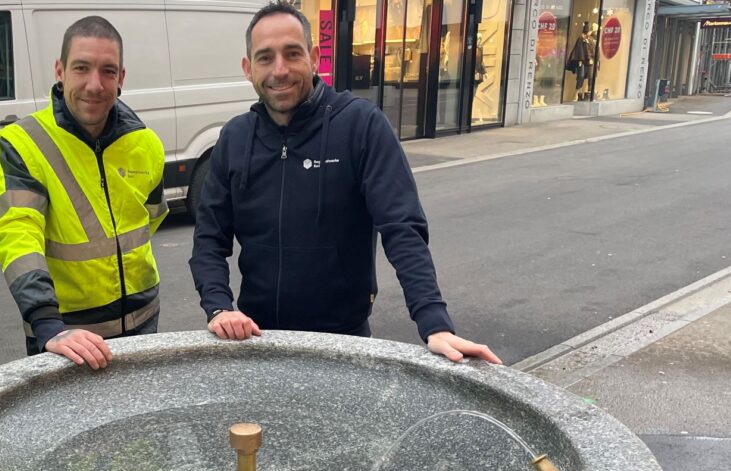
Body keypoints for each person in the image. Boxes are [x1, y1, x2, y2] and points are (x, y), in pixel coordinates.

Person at [189, 1, 500, 365]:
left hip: (344, 343)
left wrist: (435, 323)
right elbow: (209, 237)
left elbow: (402, 228)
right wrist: (218, 308)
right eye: (265, 57)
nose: (279, 70)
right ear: (248, 68)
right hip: (257, 341)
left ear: (314, 56)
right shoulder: (235, 137)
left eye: (292, 54)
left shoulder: (362, 126)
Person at [0, 16, 168, 370]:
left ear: (122, 78)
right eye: (81, 68)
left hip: (144, 322)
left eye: (108, 71)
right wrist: (46, 323)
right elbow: (17, 238)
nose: (94, 85)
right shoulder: (21, 144)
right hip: (66, 336)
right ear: (60, 69)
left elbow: (150, 217)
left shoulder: (145, 143)